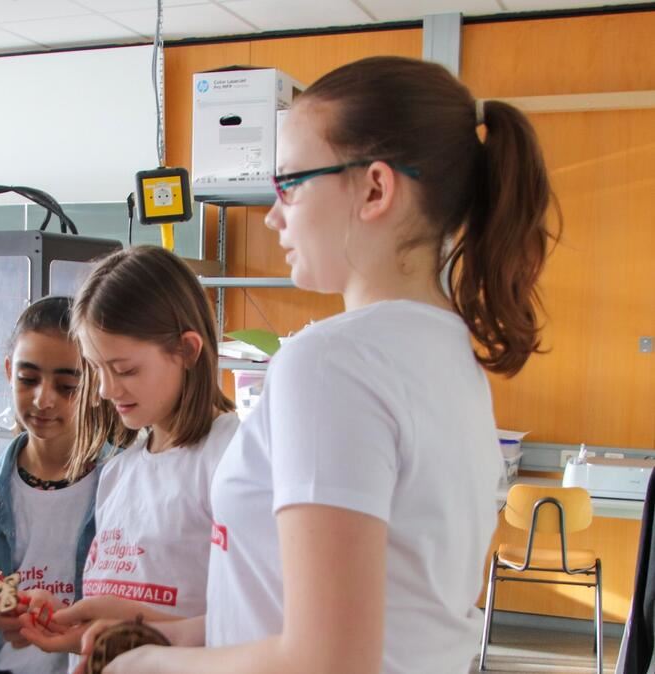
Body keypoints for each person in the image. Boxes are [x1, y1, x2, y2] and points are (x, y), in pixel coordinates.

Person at [78, 55, 557, 674]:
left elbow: (326, 659)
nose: (274, 214)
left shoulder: (332, 361)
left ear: (375, 189)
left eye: (291, 183)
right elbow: (329, 617)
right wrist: (161, 636)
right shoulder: (446, 355)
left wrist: (139, 667)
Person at [22, 246, 240, 654]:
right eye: (96, 368)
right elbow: (115, 616)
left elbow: (260, 626)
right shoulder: (118, 472)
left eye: (125, 370)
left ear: (187, 351)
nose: (106, 390)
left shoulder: (233, 457)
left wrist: (138, 627)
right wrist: (70, 624)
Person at [0, 296, 104, 674]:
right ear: (8, 370)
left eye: (67, 386)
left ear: (98, 384)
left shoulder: (121, 483)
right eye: (28, 379)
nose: (43, 399)